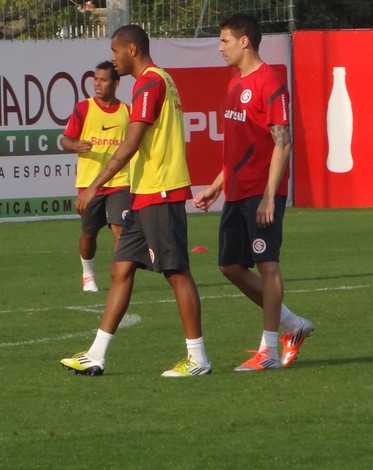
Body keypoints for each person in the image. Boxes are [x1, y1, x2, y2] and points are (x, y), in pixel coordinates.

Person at [60, 24, 211, 377]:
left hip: (161, 189)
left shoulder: (150, 82)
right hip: (144, 193)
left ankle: (198, 358)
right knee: (120, 268)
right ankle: (96, 354)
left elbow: (129, 144)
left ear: (131, 49)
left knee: (176, 272)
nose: (112, 59)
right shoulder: (162, 80)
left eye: (114, 51)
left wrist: (95, 185)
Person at [193, 14, 313, 372]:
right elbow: (240, 147)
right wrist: (216, 186)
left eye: (225, 40)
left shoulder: (270, 82)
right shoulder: (235, 84)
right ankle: (293, 325)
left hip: (262, 194)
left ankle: (269, 352)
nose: (220, 47)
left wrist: (268, 195)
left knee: (268, 265)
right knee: (229, 266)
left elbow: (283, 142)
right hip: (235, 191)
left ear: (245, 41)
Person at [62, 60, 131, 293]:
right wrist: (75, 145)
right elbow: (65, 140)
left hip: (120, 181)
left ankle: (118, 277)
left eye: (103, 80)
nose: (97, 84)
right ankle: (87, 274)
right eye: (95, 79)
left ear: (116, 83)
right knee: (89, 234)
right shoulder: (83, 108)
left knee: (119, 229)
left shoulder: (127, 112)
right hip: (89, 183)